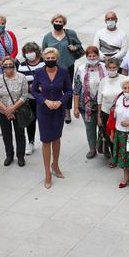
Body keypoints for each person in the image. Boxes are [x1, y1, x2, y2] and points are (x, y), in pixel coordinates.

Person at [32, 48, 73, 189]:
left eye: (52, 58)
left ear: (56, 58)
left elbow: (69, 90)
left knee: (56, 138)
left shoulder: (63, 72)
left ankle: (55, 165)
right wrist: (45, 101)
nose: (50, 60)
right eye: (47, 58)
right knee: (45, 141)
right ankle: (47, 173)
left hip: (58, 110)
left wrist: (60, 101)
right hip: (44, 110)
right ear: (44, 59)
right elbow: (33, 91)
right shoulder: (38, 72)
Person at [42, 14, 83, 123]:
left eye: (60, 22)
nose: (58, 24)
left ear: (64, 24)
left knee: (67, 88)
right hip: (52, 66)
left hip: (68, 65)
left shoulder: (70, 34)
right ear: (52, 22)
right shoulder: (47, 37)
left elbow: (79, 45)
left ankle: (67, 110)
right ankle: (53, 108)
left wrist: (74, 47)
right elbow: (44, 52)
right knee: (53, 87)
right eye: (56, 22)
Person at [0, 56, 29, 167]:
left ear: (14, 65)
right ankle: (9, 155)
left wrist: (12, 108)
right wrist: (6, 110)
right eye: (5, 65)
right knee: (6, 134)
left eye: (10, 65)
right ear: (2, 67)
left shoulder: (22, 77)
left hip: (18, 111)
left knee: (20, 134)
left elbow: (24, 96)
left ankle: (20, 156)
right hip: (3, 112)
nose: (8, 67)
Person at [73, 46, 106, 159]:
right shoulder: (81, 69)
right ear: (86, 57)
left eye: (94, 56)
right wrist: (76, 107)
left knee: (102, 126)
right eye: (89, 56)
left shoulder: (104, 67)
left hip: (102, 104)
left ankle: (103, 147)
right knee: (90, 127)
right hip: (85, 105)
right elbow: (76, 89)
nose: (92, 58)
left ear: (98, 56)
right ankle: (92, 148)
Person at [97, 58, 128, 163]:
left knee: (123, 136)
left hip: (122, 113)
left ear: (118, 68)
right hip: (106, 113)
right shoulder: (103, 81)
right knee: (110, 136)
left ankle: (123, 158)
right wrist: (99, 116)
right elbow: (99, 100)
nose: (112, 69)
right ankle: (114, 158)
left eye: (114, 67)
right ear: (106, 68)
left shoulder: (125, 79)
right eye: (109, 68)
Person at [17, 42, 44, 155]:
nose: (29, 54)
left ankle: (46, 141)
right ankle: (31, 142)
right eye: (27, 52)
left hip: (43, 98)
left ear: (36, 51)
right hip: (30, 98)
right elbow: (20, 81)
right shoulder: (22, 66)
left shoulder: (43, 63)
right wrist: (28, 87)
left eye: (31, 51)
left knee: (44, 121)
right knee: (30, 122)